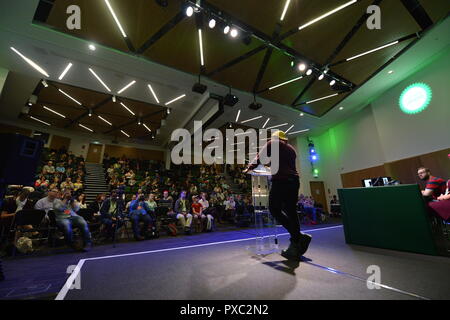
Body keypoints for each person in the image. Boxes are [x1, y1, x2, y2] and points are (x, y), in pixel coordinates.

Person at [245, 130, 311, 261]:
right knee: (291, 211)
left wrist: (250, 167)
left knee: (274, 209)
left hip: (281, 181)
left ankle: (297, 236)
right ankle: (295, 244)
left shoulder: (273, 143)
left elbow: (261, 156)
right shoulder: (292, 149)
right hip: (294, 181)